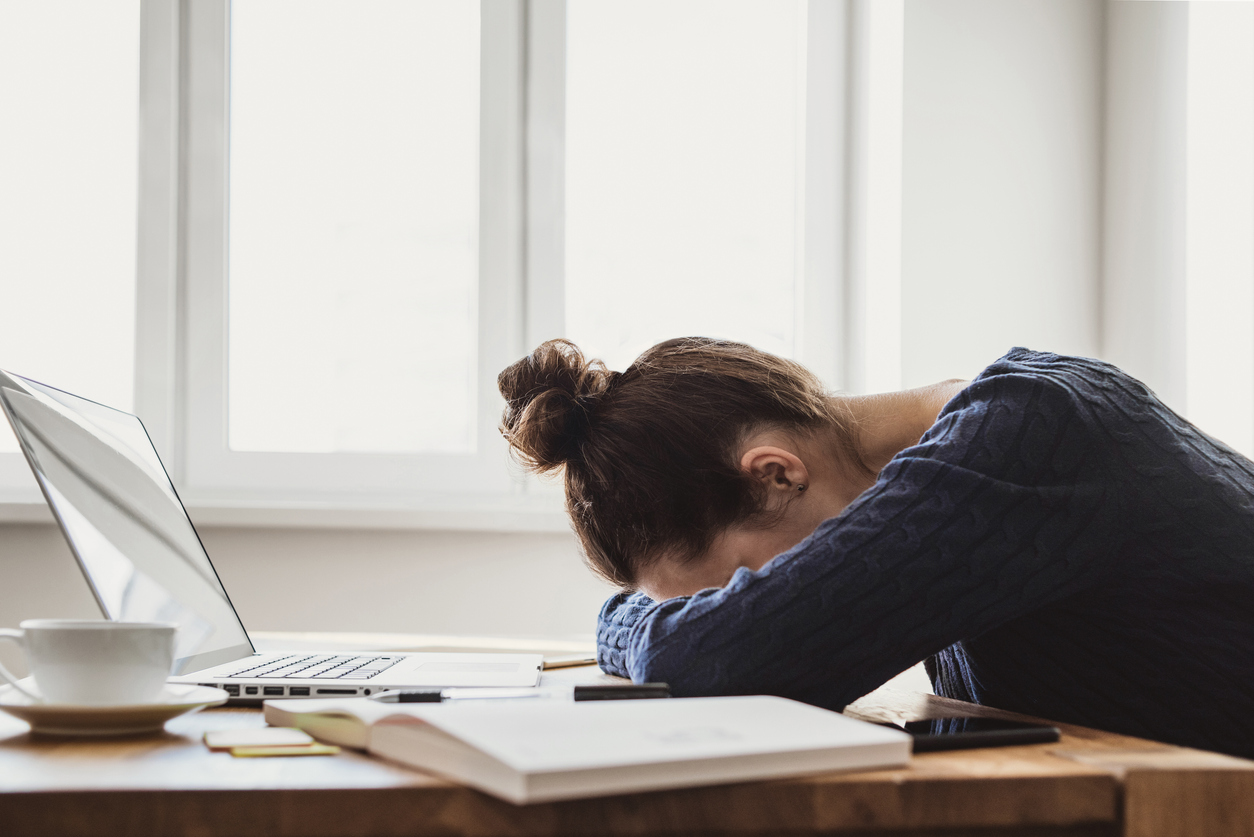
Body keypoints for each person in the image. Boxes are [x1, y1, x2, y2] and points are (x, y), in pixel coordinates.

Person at [497, 338, 1254, 758]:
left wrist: (635, 624)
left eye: (739, 585)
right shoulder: (980, 456)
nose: (750, 602)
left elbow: (718, 655)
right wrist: (643, 616)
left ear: (775, 474)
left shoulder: (1028, 437)